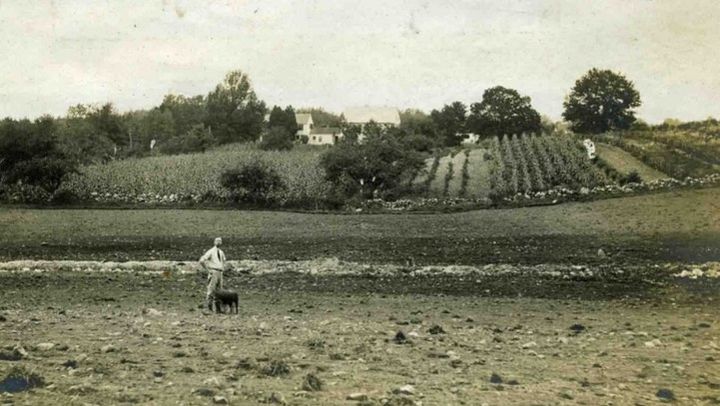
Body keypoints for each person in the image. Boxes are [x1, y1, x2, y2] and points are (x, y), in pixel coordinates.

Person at [199, 237, 227, 312]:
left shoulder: (221, 252)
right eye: (217, 241)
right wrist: (208, 270)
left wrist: (222, 268)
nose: (219, 242)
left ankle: (218, 309)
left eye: (220, 241)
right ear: (214, 242)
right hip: (213, 271)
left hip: (220, 272)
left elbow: (224, 261)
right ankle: (209, 308)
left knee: (219, 291)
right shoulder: (211, 251)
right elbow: (202, 260)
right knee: (211, 290)